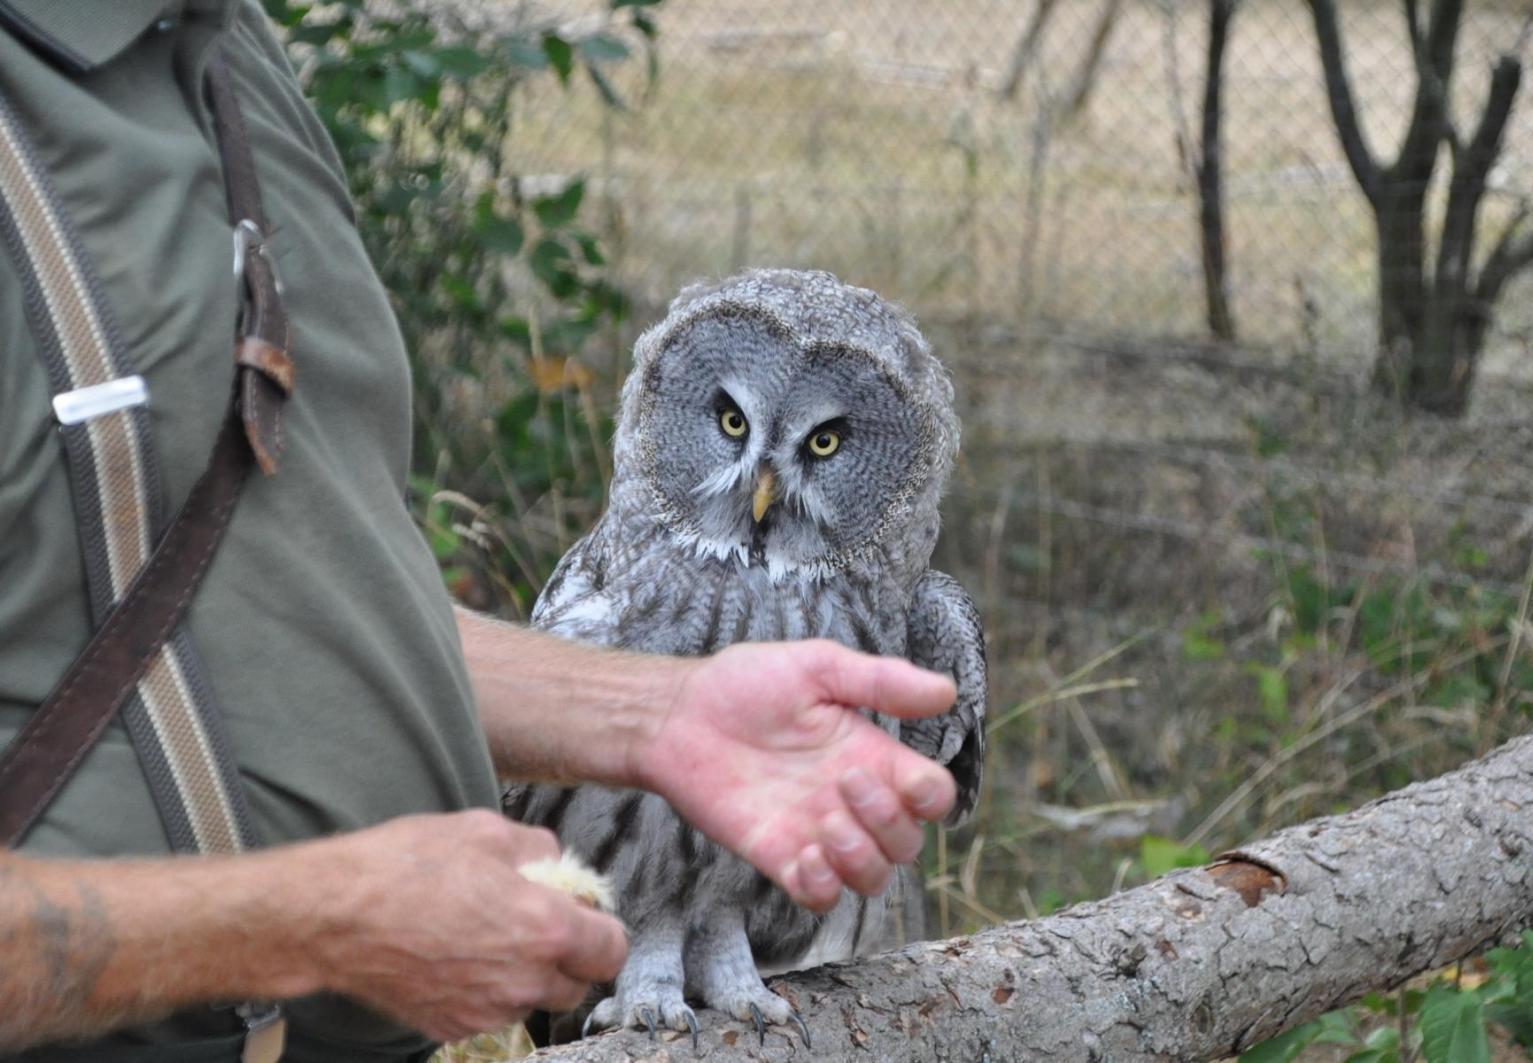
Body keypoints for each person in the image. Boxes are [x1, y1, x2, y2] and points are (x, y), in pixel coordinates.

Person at [0, 2, 960, 1060]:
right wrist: (314, 920)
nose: (764, 483)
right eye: (730, 426)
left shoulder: (224, 53)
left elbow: (263, 600)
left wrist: (650, 710)